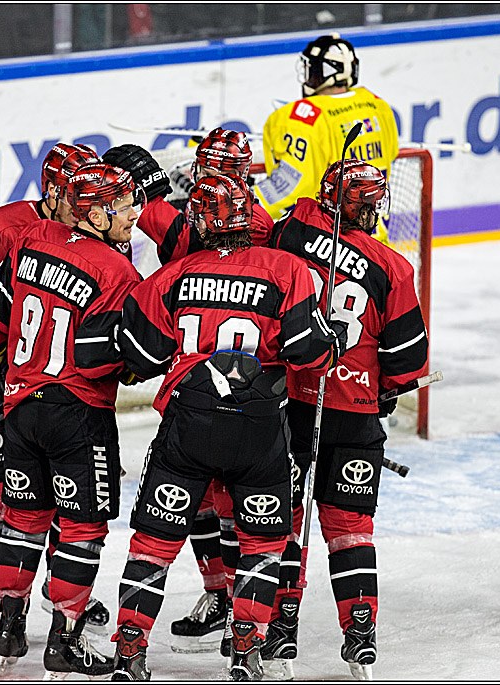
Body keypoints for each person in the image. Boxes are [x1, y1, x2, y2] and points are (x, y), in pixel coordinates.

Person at [109, 174, 343, 681]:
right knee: (261, 545)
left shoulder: (174, 275)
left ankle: (130, 649)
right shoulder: (289, 269)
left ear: (199, 222)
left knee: (152, 541)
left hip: (189, 420)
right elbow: (308, 353)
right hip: (258, 425)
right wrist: (334, 344)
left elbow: (141, 357)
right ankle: (247, 648)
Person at [102, 130, 274, 653]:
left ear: (242, 172)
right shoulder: (227, 208)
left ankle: (257, 616)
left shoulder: (252, 223)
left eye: (220, 168)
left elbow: (189, 252)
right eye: (206, 167)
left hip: (247, 394)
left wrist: (152, 199)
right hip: (221, 393)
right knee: (202, 501)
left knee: (230, 505)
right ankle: (225, 597)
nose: (209, 176)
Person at [0, 163, 144, 677]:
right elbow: (125, 359)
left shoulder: (31, 244)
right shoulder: (118, 273)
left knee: (23, 521)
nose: (134, 213)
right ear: (96, 211)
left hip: (18, 410)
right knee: (82, 527)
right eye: (125, 206)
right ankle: (65, 639)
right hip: (78, 415)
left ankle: (9, 623)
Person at [0, 143, 112, 647]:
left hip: (59, 391)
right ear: (53, 191)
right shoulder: (4, 226)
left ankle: (64, 590)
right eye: (76, 195)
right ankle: (4, 600)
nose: (89, 205)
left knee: (63, 497)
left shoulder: (98, 233)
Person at [266, 160, 429, 679]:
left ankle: (279, 627)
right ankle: (360, 629)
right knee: (350, 529)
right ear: (376, 203)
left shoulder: (294, 228)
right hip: (353, 414)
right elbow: (407, 364)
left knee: (280, 524)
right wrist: (383, 391)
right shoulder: (392, 267)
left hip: (290, 403)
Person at [256, 33, 399, 243]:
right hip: (378, 244)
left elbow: (291, 189)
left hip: (329, 250)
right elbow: (391, 153)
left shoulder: (302, 117)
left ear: (320, 72)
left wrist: (247, 203)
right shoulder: (378, 106)